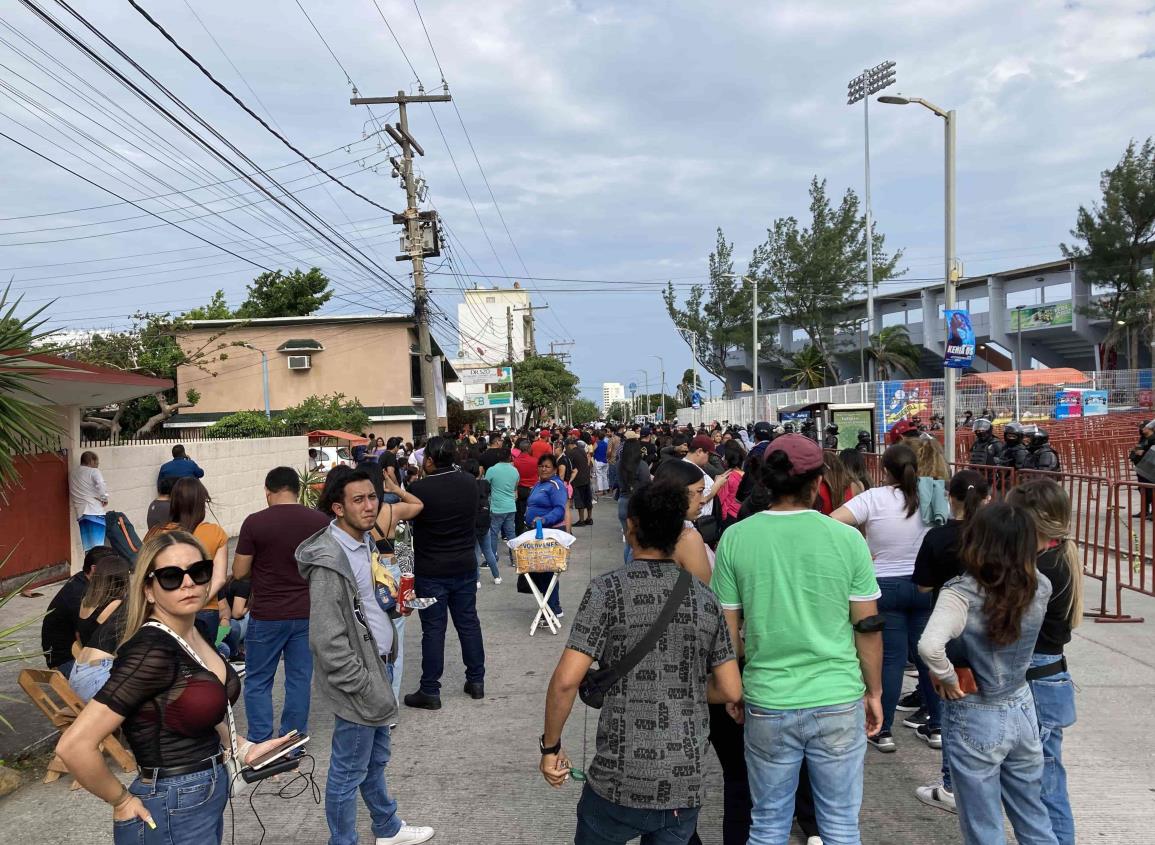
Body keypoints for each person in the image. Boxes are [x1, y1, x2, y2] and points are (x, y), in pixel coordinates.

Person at [539, 481, 741, 845]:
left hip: (619, 775)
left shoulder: (608, 590)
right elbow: (729, 688)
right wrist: (685, 688)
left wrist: (550, 747)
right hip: (684, 777)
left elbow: (567, 680)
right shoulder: (705, 599)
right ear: (679, 531)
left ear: (630, 526)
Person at [56, 531, 286, 845]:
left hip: (204, 790)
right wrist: (121, 801)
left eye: (198, 572)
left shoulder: (191, 630)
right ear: (149, 589)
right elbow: (74, 745)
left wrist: (243, 747)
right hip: (170, 798)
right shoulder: (151, 649)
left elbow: (195, 702)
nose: (188, 582)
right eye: (170, 577)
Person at [711, 434, 883, 845]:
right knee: (841, 825)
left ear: (767, 480)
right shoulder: (848, 540)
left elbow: (726, 631)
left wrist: (733, 689)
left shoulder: (737, 537)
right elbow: (867, 627)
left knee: (768, 823)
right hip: (837, 696)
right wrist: (873, 691)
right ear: (816, 481)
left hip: (768, 697)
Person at [296, 471, 435, 845]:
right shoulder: (330, 559)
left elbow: (366, 602)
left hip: (380, 666)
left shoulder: (363, 542)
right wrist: (360, 682)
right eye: (358, 500)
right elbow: (326, 638)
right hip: (361, 678)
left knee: (373, 759)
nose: (370, 506)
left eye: (372, 497)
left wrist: (395, 605)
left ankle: (387, 827)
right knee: (347, 770)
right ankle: (343, 841)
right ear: (338, 507)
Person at [917, 503, 1057, 845]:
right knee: (1032, 814)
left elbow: (929, 646)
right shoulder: (1041, 586)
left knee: (983, 824)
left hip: (976, 711)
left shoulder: (961, 592)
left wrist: (948, 677)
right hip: (1022, 706)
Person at [831, 443, 933, 752]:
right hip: (924, 584)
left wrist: (863, 549)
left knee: (889, 659)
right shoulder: (931, 493)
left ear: (885, 470)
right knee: (928, 656)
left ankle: (882, 729)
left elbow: (832, 521)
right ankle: (937, 724)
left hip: (884, 585)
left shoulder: (874, 498)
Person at [1005, 479, 1082, 845]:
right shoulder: (1056, 556)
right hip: (1048, 676)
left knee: (1042, 786)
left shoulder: (1043, 568)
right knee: (1046, 780)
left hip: (1038, 677)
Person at [910, 469, 991, 814]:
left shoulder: (938, 538)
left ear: (949, 497)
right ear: (987, 499)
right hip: (992, 631)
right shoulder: (996, 537)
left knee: (953, 709)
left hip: (949, 634)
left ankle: (950, 784)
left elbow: (923, 586)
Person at [231, 467, 331, 744]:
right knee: (299, 680)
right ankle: (292, 741)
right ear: (298, 490)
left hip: (267, 613)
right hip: (306, 611)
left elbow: (239, 572)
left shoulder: (254, 522)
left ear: (267, 491)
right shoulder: (320, 521)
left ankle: (262, 742)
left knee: (258, 680)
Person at [404, 436, 486, 710]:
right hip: (464, 564)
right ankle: (476, 681)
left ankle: (430, 689)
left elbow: (407, 520)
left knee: (433, 630)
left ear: (428, 460)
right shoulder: (469, 484)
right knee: (468, 623)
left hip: (431, 571)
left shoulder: (421, 490)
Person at [145, 478, 228, 644]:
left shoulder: (156, 534)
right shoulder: (215, 533)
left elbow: (146, 575)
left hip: (167, 609)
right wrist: (196, 603)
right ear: (201, 503)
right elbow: (219, 579)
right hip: (206, 609)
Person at [366, 470, 425, 702]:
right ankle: (391, 704)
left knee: (367, 636)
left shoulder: (354, 516)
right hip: (391, 571)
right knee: (395, 638)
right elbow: (418, 504)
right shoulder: (391, 510)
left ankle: (374, 699)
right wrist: (396, 488)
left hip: (367, 572)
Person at [68, 551, 130, 702]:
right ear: (123, 579)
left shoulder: (86, 600)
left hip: (78, 673)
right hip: (98, 675)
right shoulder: (115, 604)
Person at [42, 546, 106, 678]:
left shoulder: (82, 578)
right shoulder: (80, 594)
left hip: (74, 652)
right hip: (66, 660)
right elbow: (84, 638)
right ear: (94, 569)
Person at [525, 453, 571, 619]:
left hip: (550, 533)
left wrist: (544, 519)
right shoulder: (539, 484)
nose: (543, 469)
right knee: (541, 572)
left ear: (554, 469)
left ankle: (552, 607)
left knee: (549, 572)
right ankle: (552, 606)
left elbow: (560, 510)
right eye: (541, 466)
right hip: (537, 533)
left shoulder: (555, 485)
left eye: (547, 466)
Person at [653, 459, 713, 583]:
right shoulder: (688, 538)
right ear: (677, 492)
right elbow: (705, 591)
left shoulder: (643, 529)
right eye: (699, 491)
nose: (703, 500)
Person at [684, 434, 728, 545]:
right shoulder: (689, 471)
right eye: (708, 454)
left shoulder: (690, 467)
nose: (708, 459)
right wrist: (717, 485)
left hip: (701, 526)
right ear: (699, 451)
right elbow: (698, 500)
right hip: (695, 527)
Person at [484, 448, 518, 583]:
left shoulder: (492, 470)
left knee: (493, 533)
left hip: (497, 507)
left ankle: (492, 558)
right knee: (511, 533)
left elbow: (486, 486)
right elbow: (515, 486)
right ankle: (514, 559)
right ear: (509, 457)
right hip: (511, 506)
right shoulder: (514, 470)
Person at [615, 437, 652, 564]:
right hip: (638, 504)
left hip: (623, 502)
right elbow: (646, 485)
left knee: (628, 542)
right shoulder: (642, 465)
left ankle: (627, 567)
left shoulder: (619, 464)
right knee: (637, 543)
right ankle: (631, 570)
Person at [70, 451, 109, 551]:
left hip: (81, 514)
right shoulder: (93, 471)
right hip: (94, 512)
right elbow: (101, 484)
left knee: (88, 547)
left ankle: (89, 565)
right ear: (91, 461)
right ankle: (98, 566)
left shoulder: (73, 473)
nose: (97, 466)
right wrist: (104, 498)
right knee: (98, 547)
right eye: (96, 463)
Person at [715, 440, 746, 536]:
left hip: (730, 516)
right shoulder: (746, 475)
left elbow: (721, 499)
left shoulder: (728, 477)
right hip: (743, 513)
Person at [513, 437, 539, 533]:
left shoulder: (515, 462)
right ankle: (534, 528)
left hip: (520, 489)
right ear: (529, 449)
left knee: (519, 512)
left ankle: (519, 531)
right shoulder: (535, 461)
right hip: (533, 489)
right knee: (534, 510)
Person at [568, 438, 594, 526]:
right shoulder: (582, 450)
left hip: (578, 479)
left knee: (580, 499)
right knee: (588, 498)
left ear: (570, 445)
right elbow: (588, 460)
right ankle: (589, 518)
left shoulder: (571, 453)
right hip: (586, 477)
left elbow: (569, 466)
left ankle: (581, 520)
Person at [592, 431, 610, 497]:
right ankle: (606, 488)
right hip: (605, 460)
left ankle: (601, 490)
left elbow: (593, 450)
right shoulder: (606, 443)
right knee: (604, 475)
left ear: (597, 437)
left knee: (599, 475)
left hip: (598, 460)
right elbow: (608, 452)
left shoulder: (596, 443)